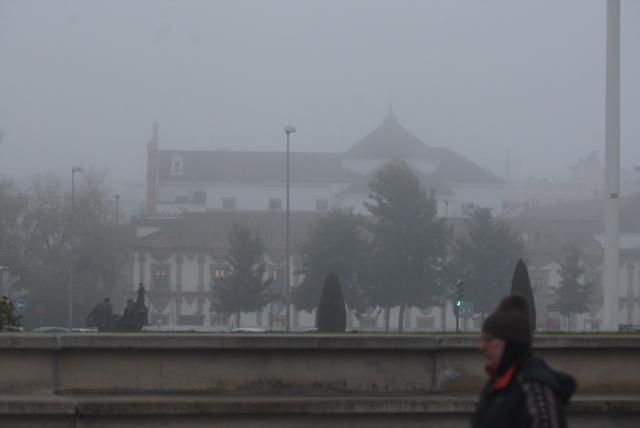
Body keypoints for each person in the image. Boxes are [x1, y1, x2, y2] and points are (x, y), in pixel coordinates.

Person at [471, 294, 576, 428]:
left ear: (510, 344)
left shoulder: (535, 389)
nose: (482, 347)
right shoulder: (497, 384)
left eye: (489, 339)